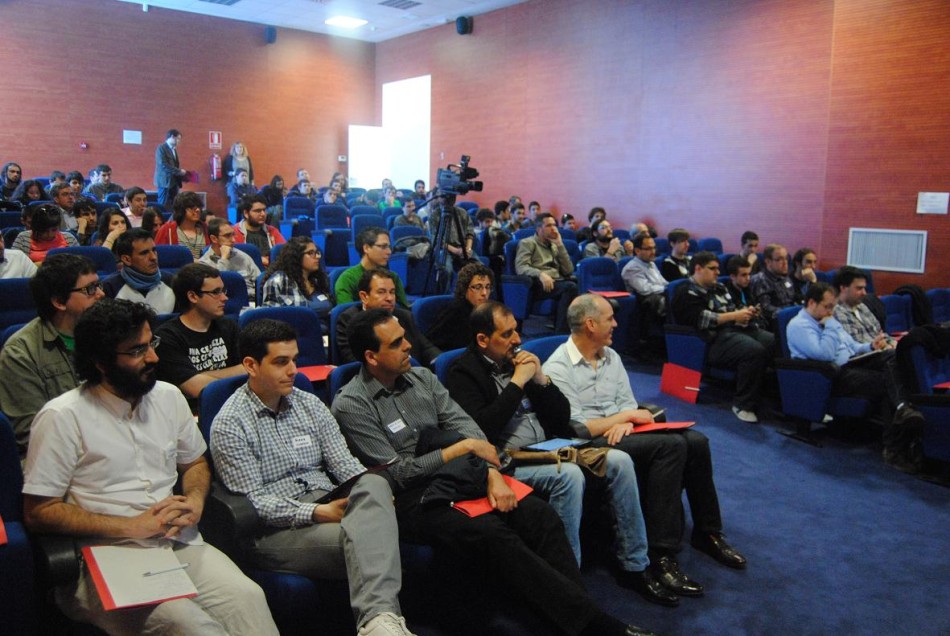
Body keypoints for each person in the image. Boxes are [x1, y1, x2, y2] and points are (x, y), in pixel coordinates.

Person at [332, 309, 659, 636]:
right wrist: (457, 451)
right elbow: (398, 474)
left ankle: (576, 618)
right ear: (371, 357)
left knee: (540, 516)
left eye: (405, 337)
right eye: (396, 343)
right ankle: (594, 626)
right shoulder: (352, 404)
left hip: (463, 474)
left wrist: (491, 474)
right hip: (412, 498)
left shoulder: (423, 379)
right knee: (490, 531)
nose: (408, 346)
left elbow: (470, 430)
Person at [22, 299, 279, 636]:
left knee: (248, 598)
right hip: (104, 556)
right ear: (101, 362)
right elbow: (39, 511)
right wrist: (131, 526)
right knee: (187, 624)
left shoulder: (168, 397)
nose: (154, 358)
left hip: (178, 542)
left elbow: (195, 463)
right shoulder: (62, 417)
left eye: (151, 344)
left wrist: (195, 501)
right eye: (137, 351)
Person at [445, 301, 677, 607]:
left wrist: (540, 380)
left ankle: (635, 564)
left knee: (620, 461)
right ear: (483, 340)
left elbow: (561, 419)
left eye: (517, 331)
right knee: (568, 476)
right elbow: (482, 430)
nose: (517, 339)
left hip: (551, 447)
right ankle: (568, 585)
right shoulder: (462, 372)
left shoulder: (518, 361)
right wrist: (517, 383)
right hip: (510, 459)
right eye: (507, 334)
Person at [210, 319, 416, 636]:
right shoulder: (230, 423)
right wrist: (318, 512)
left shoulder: (308, 403)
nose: (293, 370)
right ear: (251, 365)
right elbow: (255, 503)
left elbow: (344, 464)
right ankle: (379, 620)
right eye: (281, 362)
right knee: (371, 538)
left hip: (331, 503)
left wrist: (365, 493)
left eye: (294, 359)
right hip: (275, 529)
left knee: (374, 482)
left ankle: (378, 623)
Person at [544, 294, 748, 597]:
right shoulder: (558, 367)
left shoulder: (611, 356)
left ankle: (708, 533)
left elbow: (629, 405)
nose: (616, 324)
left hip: (620, 432)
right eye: (609, 319)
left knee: (696, 441)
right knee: (672, 447)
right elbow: (576, 426)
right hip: (587, 443)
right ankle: (661, 552)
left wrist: (626, 421)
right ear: (590, 324)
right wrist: (624, 417)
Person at [786, 282, 923, 469]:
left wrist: (870, 346)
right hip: (828, 377)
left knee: (893, 357)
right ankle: (895, 446)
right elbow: (824, 354)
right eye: (827, 307)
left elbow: (851, 345)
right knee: (887, 383)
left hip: (852, 365)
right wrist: (831, 325)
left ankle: (902, 411)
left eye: (833, 307)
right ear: (811, 303)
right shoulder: (799, 325)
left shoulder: (827, 318)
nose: (831, 311)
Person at [0, 254, 102, 456]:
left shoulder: (111, 334)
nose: (101, 294)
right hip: (63, 457)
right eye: (90, 289)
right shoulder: (20, 353)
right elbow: (33, 433)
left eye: (98, 285)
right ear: (59, 302)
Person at [672, 251, 774, 423]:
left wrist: (745, 313)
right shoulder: (685, 291)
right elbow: (702, 319)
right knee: (754, 351)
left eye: (718, 269)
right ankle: (743, 404)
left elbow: (732, 308)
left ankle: (766, 395)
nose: (718, 272)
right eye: (712, 269)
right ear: (698, 269)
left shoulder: (719, 287)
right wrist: (735, 316)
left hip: (734, 330)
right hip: (709, 340)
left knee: (772, 341)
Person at [155, 263, 244, 413]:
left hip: (232, 407)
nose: (224, 298)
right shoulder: (167, 337)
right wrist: (236, 376)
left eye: (223, 290)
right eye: (216, 292)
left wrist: (201, 375)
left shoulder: (228, 326)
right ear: (193, 296)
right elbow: (197, 389)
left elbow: (251, 368)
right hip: (191, 413)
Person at [336, 268, 440, 367]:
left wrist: (440, 362)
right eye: (381, 292)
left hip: (416, 373)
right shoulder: (349, 320)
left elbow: (426, 348)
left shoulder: (405, 316)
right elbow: (357, 363)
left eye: (392, 292)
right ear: (364, 296)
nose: (390, 298)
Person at [514, 212, 578, 334]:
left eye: (554, 225)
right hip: (537, 284)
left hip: (556, 282)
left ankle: (574, 330)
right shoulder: (527, 243)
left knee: (578, 283)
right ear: (539, 229)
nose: (553, 228)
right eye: (549, 225)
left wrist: (560, 245)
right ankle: (561, 333)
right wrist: (540, 274)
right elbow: (521, 267)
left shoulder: (554, 245)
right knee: (570, 287)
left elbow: (568, 270)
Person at [260, 236, 334, 329]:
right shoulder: (279, 281)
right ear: (296, 256)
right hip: (294, 334)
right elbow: (270, 319)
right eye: (311, 253)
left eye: (317, 253)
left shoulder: (318, 280)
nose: (317, 257)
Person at [102, 228, 176, 313]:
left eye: (154, 250)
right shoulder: (109, 288)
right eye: (144, 253)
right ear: (127, 259)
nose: (153, 257)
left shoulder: (172, 282)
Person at [335, 226, 410, 308]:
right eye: (383, 247)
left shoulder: (393, 277)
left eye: (389, 247)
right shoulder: (348, 279)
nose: (389, 252)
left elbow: (404, 310)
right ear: (366, 248)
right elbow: (346, 312)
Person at [426, 262, 494, 351]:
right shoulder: (454, 313)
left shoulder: (487, 311)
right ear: (464, 288)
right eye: (478, 287)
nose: (484, 293)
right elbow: (429, 344)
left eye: (488, 287)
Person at [832, 266, 895, 348]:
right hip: (867, 354)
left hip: (881, 350)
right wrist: (884, 346)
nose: (864, 293)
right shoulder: (836, 311)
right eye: (859, 288)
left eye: (864, 288)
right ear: (843, 288)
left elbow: (879, 332)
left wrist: (891, 342)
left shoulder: (862, 306)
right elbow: (855, 345)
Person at [199, 217, 261, 301]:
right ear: (214, 239)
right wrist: (224, 259)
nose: (233, 240)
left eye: (233, 234)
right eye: (227, 236)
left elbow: (260, 281)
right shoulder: (204, 263)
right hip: (224, 303)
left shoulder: (242, 256)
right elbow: (218, 287)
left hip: (252, 300)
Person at [621, 231, 668, 335]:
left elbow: (663, 282)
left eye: (654, 248)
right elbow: (645, 290)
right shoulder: (632, 268)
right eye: (648, 249)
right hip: (645, 305)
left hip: (657, 298)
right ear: (637, 251)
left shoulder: (651, 263)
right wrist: (667, 289)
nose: (653, 251)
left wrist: (671, 288)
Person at [750, 243, 801, 329]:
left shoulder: (785, 278)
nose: (785, 263)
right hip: (774, 322)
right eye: (779, 259)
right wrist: (789, 313)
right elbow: (765, 308)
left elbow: (794, 299)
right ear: (768, 262)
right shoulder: (761, 280)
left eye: (786, 258)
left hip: (791, 317)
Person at [12, 204, 79, 262]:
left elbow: (80, 264)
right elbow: (16, 264)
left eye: (54, 230)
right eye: (44, 230)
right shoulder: (23, 238)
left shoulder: (69, 238)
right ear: (36, 227)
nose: (49, 234)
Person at [155, 191, 209, 260]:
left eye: (199, 207)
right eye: (192, 207)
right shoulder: (167, 229)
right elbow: (158, 255)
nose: (198, 210)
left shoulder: (205, 229)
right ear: (181, 210)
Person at [232, 194, 285, 266]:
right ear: (246, 213)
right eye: (258, 211)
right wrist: (260, 260)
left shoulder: (272, 231)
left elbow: (285, 251)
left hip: (272, 268)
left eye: (264, 210)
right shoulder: (234, 232)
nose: (263, 214)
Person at [427, 195, 475, 273]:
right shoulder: (434, 215)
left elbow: (470, 233)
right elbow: (437, 240)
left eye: (452, 196)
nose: (449, 199)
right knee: (446, 270)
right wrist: (457, 251)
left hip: (463, 248)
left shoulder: (462, 212)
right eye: (444, 197)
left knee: (480, 268)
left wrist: (468, 249)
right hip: (444, 249)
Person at [154, 128, 187, 210]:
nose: (179, 141)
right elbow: (163, 165)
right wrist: (179, 171)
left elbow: (175, 164)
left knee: (175, 204)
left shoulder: (173, 149)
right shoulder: (161, 148)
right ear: (172, 137)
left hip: (174, 182)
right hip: (165, 182)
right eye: (178, 139)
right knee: (162, 203)